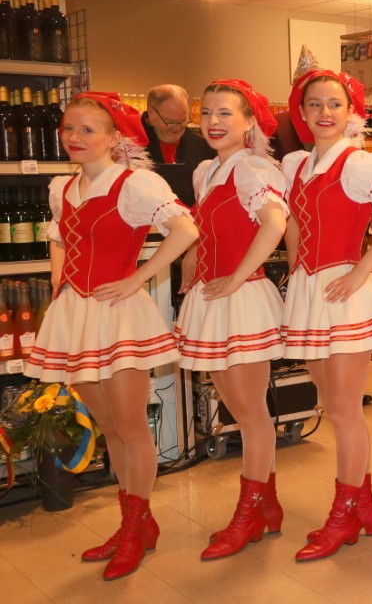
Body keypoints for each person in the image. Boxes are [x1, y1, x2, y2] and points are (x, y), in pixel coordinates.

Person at [28, 92, 198, 580]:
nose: (75, 137)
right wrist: (60, 281)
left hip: (119, 315)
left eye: (88, 129)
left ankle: (136, 526)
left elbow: (186, 230)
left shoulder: (134, 183)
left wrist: (137, 277)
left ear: (112, 137)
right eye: (69, 128)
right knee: (108, 427)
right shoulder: (62, 187)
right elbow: (59, 237)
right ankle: (134, 524)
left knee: (130, 426)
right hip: (77, 316)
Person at [281, 70, 372, 561]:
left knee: (344, 411)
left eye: (334, 104)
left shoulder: (359, 163)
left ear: (350, 111)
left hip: (343, 292)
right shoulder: (296, 164)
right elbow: (294, 222)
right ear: (301, 112)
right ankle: (364, 505)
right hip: (310, 291)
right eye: (314, 104)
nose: (324, 113)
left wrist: (363, 269)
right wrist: (295, 271)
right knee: (333, 407)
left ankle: (344, 513)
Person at [174, 80, 289, 561]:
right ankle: (268, 506)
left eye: (225, 113)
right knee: (240, 410)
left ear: (249, 123)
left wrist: (238, 276)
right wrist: (192, 260)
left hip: (241, 300)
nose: (213, 122)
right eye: (206, 113)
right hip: (212, 298)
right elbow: (206, 227)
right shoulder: (207, 170)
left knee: (250, 413)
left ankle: (249, 513)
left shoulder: (253, 168)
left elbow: (275, 224)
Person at [143, 84, 215, 170]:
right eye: (170, 121)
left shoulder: (203, 147)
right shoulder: (132, 147)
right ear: (151, 113)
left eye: (183, 120)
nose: (177, 128)